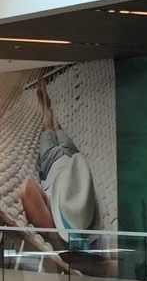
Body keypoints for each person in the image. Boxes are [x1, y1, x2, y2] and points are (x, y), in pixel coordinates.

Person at [19, 71, 97, 243]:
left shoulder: (58, 211)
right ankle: (49, 105)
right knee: (59, 128)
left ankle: (45, 107)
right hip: (71, 158)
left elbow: (27, 188)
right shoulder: (82, 208)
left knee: (48, 128)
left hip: (51, 161)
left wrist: (55, 236)